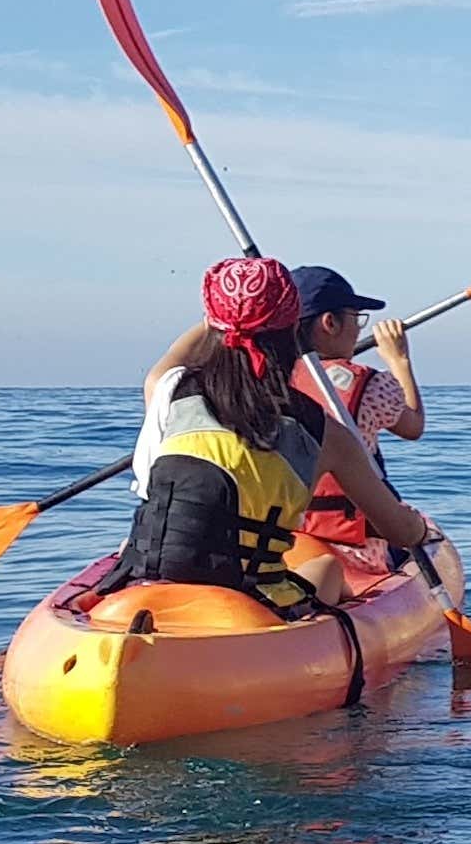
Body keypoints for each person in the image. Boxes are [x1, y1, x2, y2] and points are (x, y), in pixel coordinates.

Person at [101, 256, 436, 620]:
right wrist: (421, 531)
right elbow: (398, 531)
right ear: (292, 330)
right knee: (327, 570)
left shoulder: (167, 390)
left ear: (213, 321)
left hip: (141, 588)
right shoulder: (324, 431)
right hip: (248, 605)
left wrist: (234, 305)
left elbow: (174, 357)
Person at [287, 266, 427, 573]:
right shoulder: (372, 386)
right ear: (330, 323)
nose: (359, 329)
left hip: (284, 546)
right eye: (356, 318)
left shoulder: (264, 380)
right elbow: (413, 425)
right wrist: (399, 361)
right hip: (355, 554)